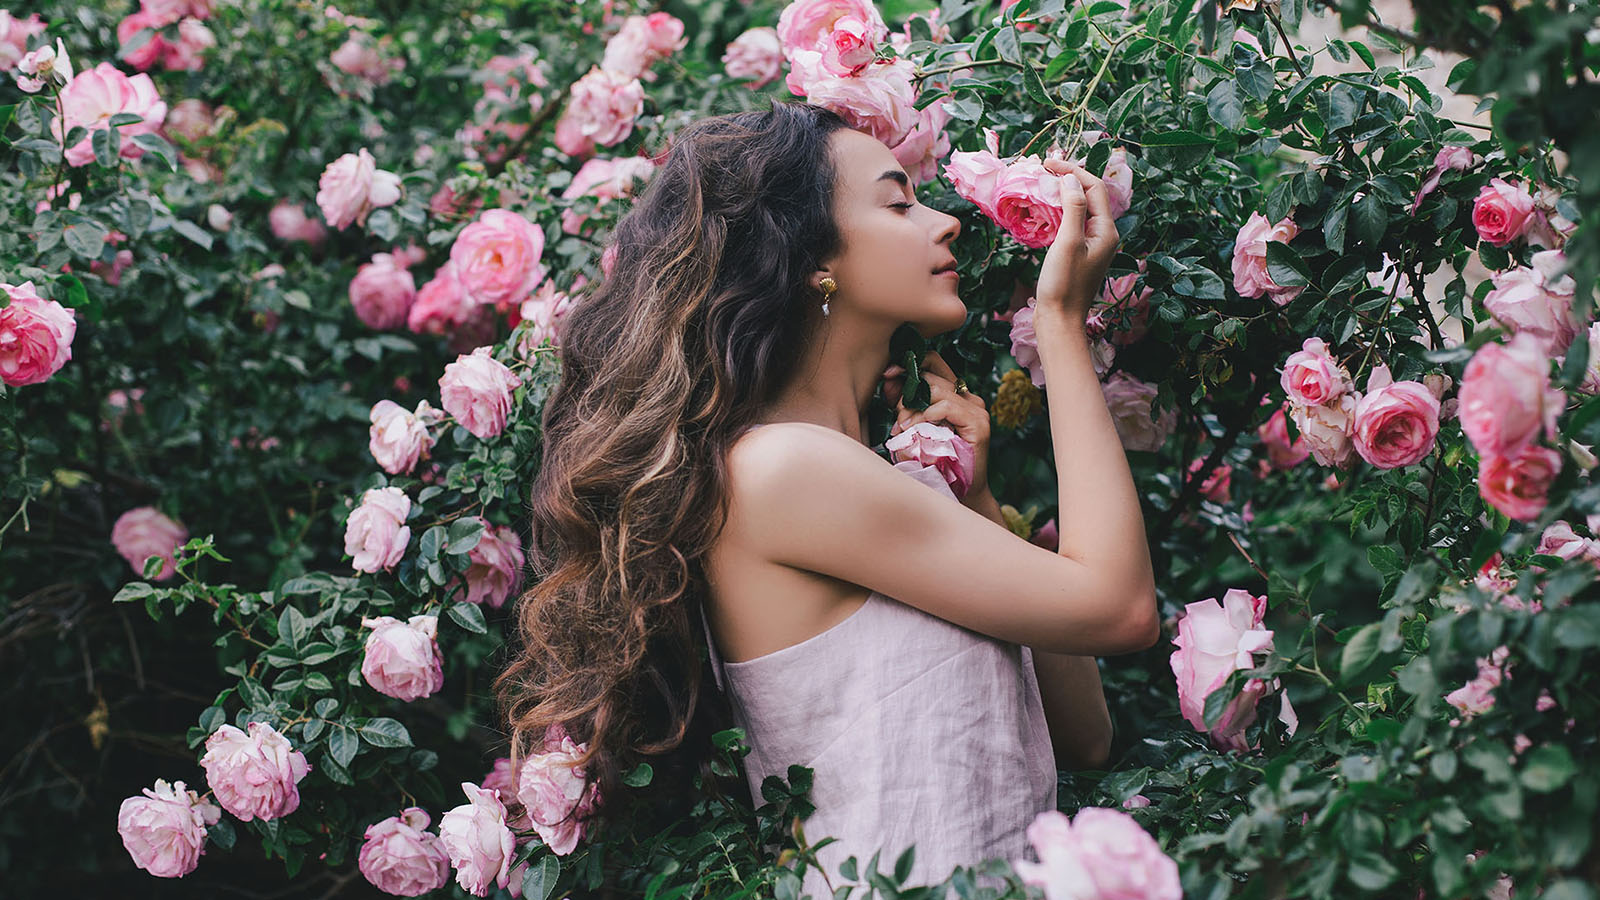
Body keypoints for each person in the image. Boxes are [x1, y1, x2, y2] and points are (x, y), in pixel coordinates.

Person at [497, 100, 1159, 895]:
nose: (944, 223)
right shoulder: (783, 472)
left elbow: (1084, 736)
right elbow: (1120, 609)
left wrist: (977, 502)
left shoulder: (854, 479)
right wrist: (1059, 323)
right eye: (898, 203)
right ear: (813, 258)